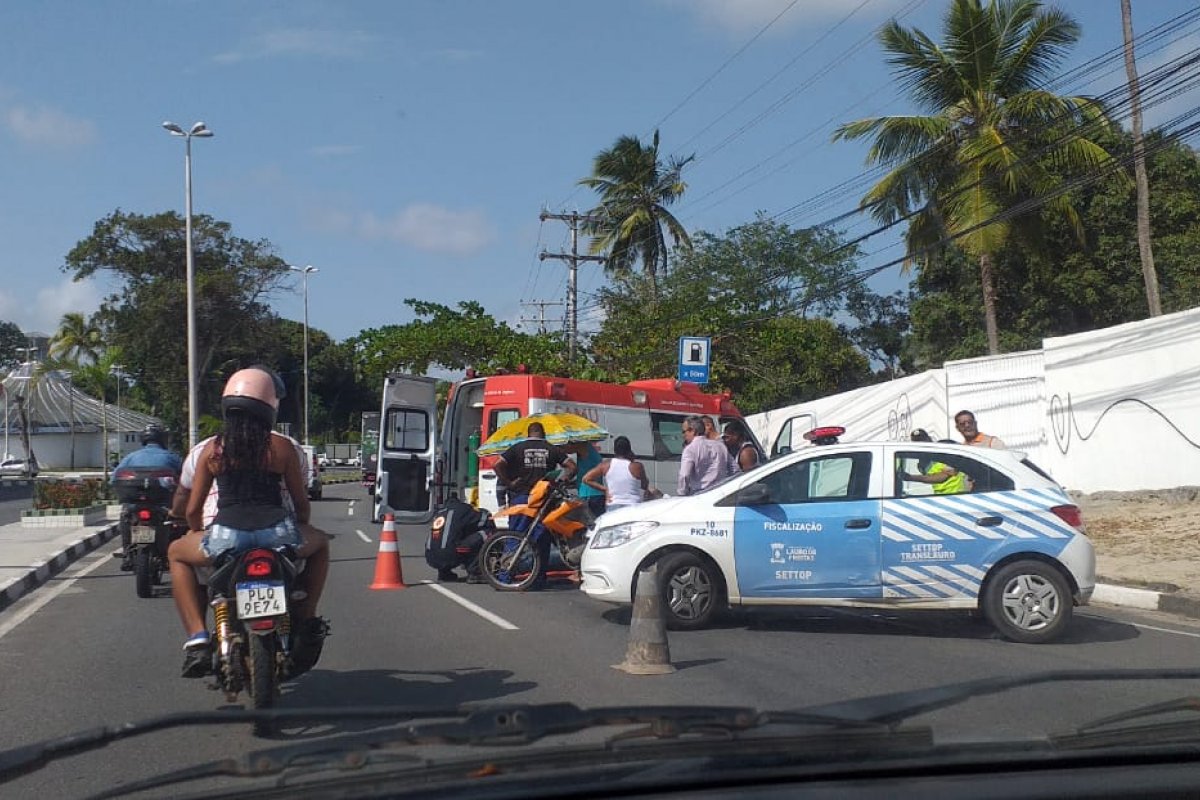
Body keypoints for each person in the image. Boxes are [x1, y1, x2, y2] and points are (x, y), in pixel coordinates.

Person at [167, 368, 328, 678]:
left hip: (227, 539)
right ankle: (307, 620)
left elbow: (192, 508)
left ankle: (199, 639)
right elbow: (300, 502)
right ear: (270, 408)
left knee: (175, 552)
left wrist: (196, 529)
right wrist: (302, 524)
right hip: (277, 535)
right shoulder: (280, 448)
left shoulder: (212, 451)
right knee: (321, 544)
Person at [492, 421, 576, 590]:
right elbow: (571, 466)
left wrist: (509, 483)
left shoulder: (517, 448)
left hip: (521, 498)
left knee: (515, 536)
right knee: (542, 539)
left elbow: (497, 465)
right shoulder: (552, 449)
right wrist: (561, 480)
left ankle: (505, 577)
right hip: (544, 500)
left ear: (528, 434)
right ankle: (538, 579)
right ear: (543, 434)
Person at [111, 424, 183, 570]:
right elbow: (186, 479)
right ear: (163, 439)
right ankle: (175, 553)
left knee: (125, 515)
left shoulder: (131, 457)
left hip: (135, 503)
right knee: (178, 521)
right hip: (163, 504)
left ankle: (126, 553)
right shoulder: (172, 457)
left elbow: (113, 480)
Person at [583, 435, 657, 513]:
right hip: (633, 505)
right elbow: (644, 485)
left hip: (613, 504)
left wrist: (605, 489)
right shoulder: (637, 466)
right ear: (629, 450)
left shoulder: (606, 465)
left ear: (615, 450)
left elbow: (586, 479)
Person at [678, 415, 733, 496]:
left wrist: (681, 494)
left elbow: (684, 475)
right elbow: (734, 469)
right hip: (721, 494)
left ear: (693, 431)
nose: (683, 436)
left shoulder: (690, 449)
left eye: (684, 432)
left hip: (700, 495)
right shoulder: (721, 446)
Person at [903, 428, 967, 494]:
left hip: (958, 494)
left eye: (923, 441)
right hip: (939, 497)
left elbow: (944, 476)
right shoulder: (922, 464)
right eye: (918, 443)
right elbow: (930, 478)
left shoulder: (944, 448)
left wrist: (911, 477)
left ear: (929, 439)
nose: (922, 445)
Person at [570, 441, 606, 517]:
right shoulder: (593, 453)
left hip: (589, 494)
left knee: (589, 523)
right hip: (595, 494)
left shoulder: (584, 446)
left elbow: (568, 450)